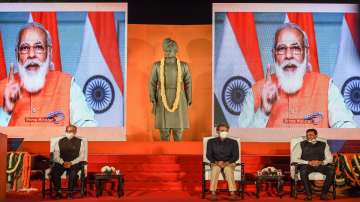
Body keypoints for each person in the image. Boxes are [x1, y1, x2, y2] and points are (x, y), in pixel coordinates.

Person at [238, 22, 356, 128]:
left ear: (306, 52)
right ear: (274, 55)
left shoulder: (326, 86)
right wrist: (263, 111)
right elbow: (241, 143)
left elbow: (347, 130)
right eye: (281, 48)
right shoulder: (256, 91)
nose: (288, 55)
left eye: (295, 48)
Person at [0, 22, 96, 127]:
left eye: (38, 47)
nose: (31, 55)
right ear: (17, 54)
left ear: (49, 52)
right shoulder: (2, 88)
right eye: (25, 48)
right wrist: (6, 110)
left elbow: (89, 130)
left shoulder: (68, 86)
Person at [148, 38, 192, 141]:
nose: (168, 52)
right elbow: (152, 83)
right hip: (162, 98)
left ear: (176, 50)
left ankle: (179, 154)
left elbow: (188, 82)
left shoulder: (183, 65)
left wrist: (189, 97)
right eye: (166, 50)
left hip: (179, 98)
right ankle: (165, 153)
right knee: (164, 130)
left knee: (178, 130)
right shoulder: (157, 66)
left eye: (170, 49)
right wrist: (153, 98)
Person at [292, 128, 335, 201]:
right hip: (307, 165)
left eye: (311, 135)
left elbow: (330, 158)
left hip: (320, 164)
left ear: (316, 135)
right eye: (307, 135)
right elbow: (294, 158)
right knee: (303, 172)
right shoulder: (300, 144)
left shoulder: (324, 144)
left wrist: (321, 162)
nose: (309, 136)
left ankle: (324, 194)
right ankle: (309, 195)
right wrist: (308, 162)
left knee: (331, 171)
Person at [51, 125, 85, 199]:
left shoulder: (80, 142)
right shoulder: (60, 141)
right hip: (62, 162)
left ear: (75, 132)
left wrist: (71, 163)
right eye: (67, 131)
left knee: (72, 173)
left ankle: (70, 192)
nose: (68, 133)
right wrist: (63, 162)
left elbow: (81, 156)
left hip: (74, 163)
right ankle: (58, 192)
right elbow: (56, 155)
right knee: (54, 172)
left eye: (71, 131)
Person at [206, 122, 239, 201]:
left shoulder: (233, 142)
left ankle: (232, 193)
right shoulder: (211, 142)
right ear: (217, 131)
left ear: (227, 131)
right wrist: (217, 162)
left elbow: (236, 156)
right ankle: (213, 193)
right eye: (221, 130)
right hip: (216, 162)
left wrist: (227, 163)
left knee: (228, 169)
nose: (223, 132)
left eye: (225, 131)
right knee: (215, 169)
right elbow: (209, 155)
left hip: (229, 163)